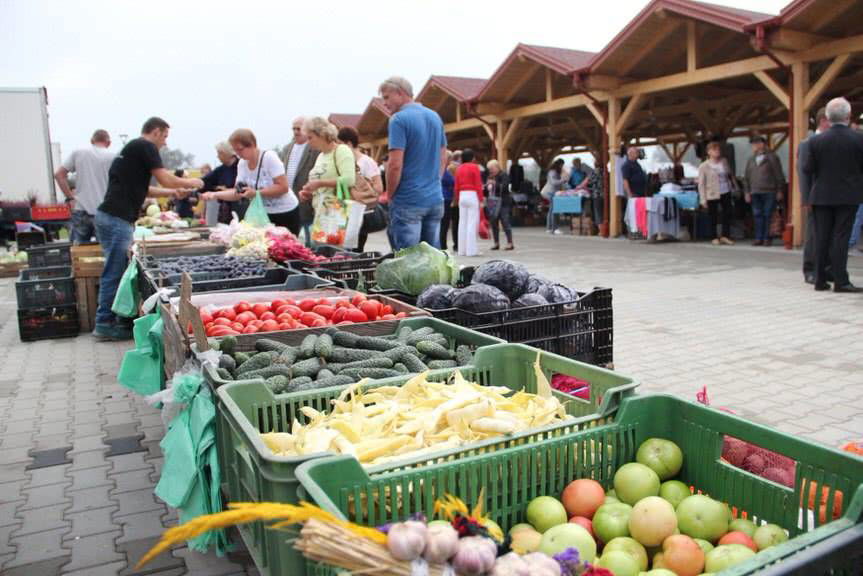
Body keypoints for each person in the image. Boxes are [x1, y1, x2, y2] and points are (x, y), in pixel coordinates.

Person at [94, 117, 202, 340]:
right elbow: (164, 179)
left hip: (108, 215)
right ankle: (104, 322)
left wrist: (174, 193)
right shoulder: (145, 146)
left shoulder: (132, 150)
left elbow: (147, 191)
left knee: (115, 269)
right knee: (114, 271)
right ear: (155, 131)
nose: (164, 143)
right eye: (164, 137)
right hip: (117, 219)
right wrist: (192, 183)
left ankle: (112, 319)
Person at [802, 97, 863, 293]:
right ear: (848, 116)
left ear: (827, 117)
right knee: (841, 238)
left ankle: (820, 280)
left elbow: (808, 168)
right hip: (848, 195)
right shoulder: (859, 138)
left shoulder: (816, 141)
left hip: (821, 195)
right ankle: (841, 281)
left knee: (822, 237)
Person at [379, 76, 447, 250]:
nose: (384, 103)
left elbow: (395, 165)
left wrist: (390, 194)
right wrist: (434, 182)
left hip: (408, 199)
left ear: (400, 93)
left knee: (407, 261)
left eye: (386, 97)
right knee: (433, 258)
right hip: (434, 198)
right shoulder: (435, 117)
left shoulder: (398, 120)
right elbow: (443, 156)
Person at [203, 129, 300, 234]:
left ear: (252, 144)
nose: (238, 154)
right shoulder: (242, 164)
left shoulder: (269, 158)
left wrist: (257, 193)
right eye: (235, 150)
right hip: (264, 213)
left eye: (240, 150)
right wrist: (215, 194)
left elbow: (283, 187)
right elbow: (238, 193)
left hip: (285, 212)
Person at [298, 117, 356, 244]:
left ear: (322, 134)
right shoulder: (321, 156)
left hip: (337, 211)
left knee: (334, 253)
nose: (308, 142)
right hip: (321, 213)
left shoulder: (342, 150)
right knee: (322, 254)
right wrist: (308, 193)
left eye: (310, 137)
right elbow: (320, 186)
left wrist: (319, 183)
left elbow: (350, 180)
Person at [54, 129, 115, 243]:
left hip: (80, 210)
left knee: (77, 254)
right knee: (105, 252)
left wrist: (70, 198)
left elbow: (59, 175)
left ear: (92, 141)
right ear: (109, 143)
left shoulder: (78, 153)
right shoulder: (113, 157)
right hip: (104, 211)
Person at [337, 126, 383, 252]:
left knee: (355, 251)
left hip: (360, 214)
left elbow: (379, 188)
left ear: (349, 143)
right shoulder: (341, 161)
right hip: (343, 213)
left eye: (340, 144)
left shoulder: (367, 162)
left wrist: (361, 188)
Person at [799, 108, 831, 284]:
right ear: (823, 120)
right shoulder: (808, 143)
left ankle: (826, 268)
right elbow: (804, 175)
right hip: (815, 196)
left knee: (830, 235)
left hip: (831, 196)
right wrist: (806, 198)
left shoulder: (833, 142)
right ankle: (810, 268)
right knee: (813, 234)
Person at [744, 135, 785, 246]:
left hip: (769, 190)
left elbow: (779, 174)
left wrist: (779, 190)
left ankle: (767, 237)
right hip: (754, 191)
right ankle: (758, 237)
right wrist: (747, 191)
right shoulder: (751, 159)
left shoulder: (772, 157)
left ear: (762, 144)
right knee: (757, 214)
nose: (753, 146)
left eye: (756, 143)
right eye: (753, 144)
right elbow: (746, 177)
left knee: (768, 214)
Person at [284, 117, 320, 244]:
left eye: (298, 128)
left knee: (309, 238)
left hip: (306, 200)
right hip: (288, 199)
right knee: (290, 238)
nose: (295, 132)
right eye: (293, 129)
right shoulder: (287, 148)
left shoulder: (315, 149)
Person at [698, 141, 738, 246]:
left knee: (727, 214)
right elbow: (701, 184)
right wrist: (703, 199)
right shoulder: (704, 166)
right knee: (713, 215)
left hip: (725, 190)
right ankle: (714, 236)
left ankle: (725, 236)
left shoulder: (724, 161)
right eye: (715, 150)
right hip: (712, 193)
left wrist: (735, 187)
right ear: (709, 152)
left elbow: (730, 175)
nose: (717, 152)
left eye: (718, 150)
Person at [199, 141, 239, 225]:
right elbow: (205, 181)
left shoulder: (241, 166)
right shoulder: (219, 170)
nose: (217, 156)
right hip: (223, 211)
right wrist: (191, 188)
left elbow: (244, 188)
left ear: (225, 153)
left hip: (240, 208)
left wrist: (226, 190)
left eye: (219, 153)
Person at [454, 148, 484, 256]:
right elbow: (478, 184)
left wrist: (458, 198)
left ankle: (462, 250)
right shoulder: (474, 167)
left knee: (462, 223)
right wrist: (481, 199)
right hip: (472, 195)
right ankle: (471, 251)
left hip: (462, 195)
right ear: (472, 157)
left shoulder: (459, 168)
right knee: (472, 223)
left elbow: (456, 186)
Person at [485, 159, 513, 250]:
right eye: (489, 169)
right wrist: (486, 186)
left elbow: (504, 187)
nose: (490, 170)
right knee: (494, 222)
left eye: (492, 168)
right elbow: (487, 190)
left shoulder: (503, 175)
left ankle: (510, 242)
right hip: (493, 203)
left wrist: (495, 184)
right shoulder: (490, 176)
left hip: (503, 202)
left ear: (497, 167)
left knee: (505, 222)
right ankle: (496, 243)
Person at [543, 158, 565, 234]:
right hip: (551, 192)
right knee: (554, 210)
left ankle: (549, 228)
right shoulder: (553, 172)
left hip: (553, 192)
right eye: (562, 165)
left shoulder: (553, 172)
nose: (562, 167)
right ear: (559, 164)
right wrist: (563, 180)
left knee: (551, 210)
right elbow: (553, 182)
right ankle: (554, 228)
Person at [440, 151, 455, 250]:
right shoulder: (443, 171)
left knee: (443, 225)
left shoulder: (443, 170)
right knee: (444, 225)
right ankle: (442, 246)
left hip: (443, 198)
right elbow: (452, 182)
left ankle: (442, 245)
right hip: (445, 199)